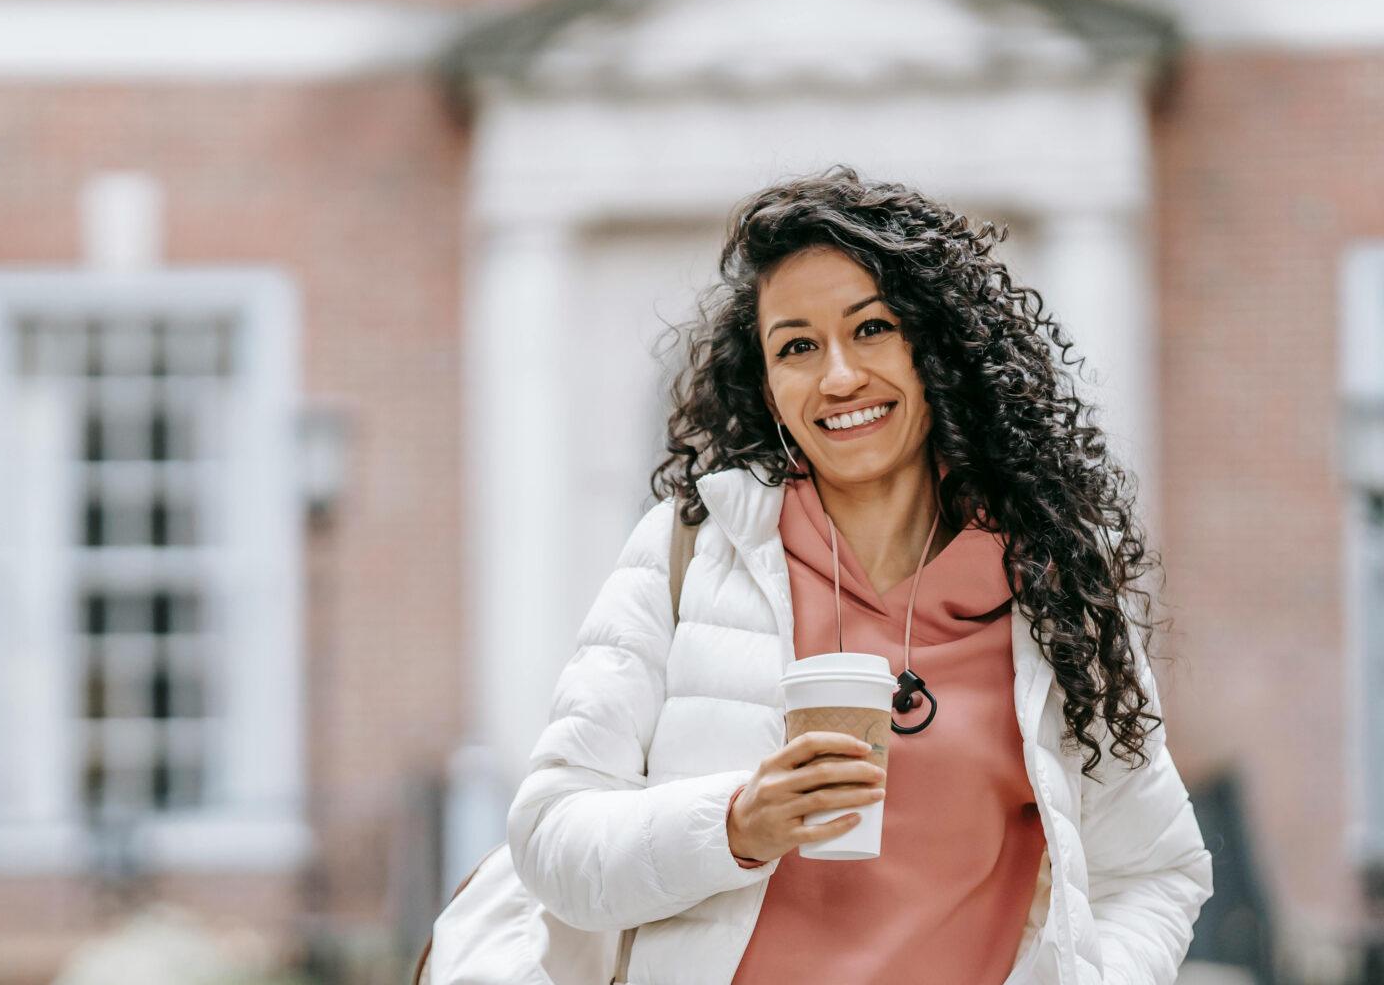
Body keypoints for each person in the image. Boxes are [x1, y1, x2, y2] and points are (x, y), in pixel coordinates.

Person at [506, 167, 1212, 984]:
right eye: (797, 345)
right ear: (768, 385)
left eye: (872, 329)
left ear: (936, 347)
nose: (838, 376)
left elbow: (1155, 871)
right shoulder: (690, 551)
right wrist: (735, 825)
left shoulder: (1054, 584)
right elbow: (549, 838)